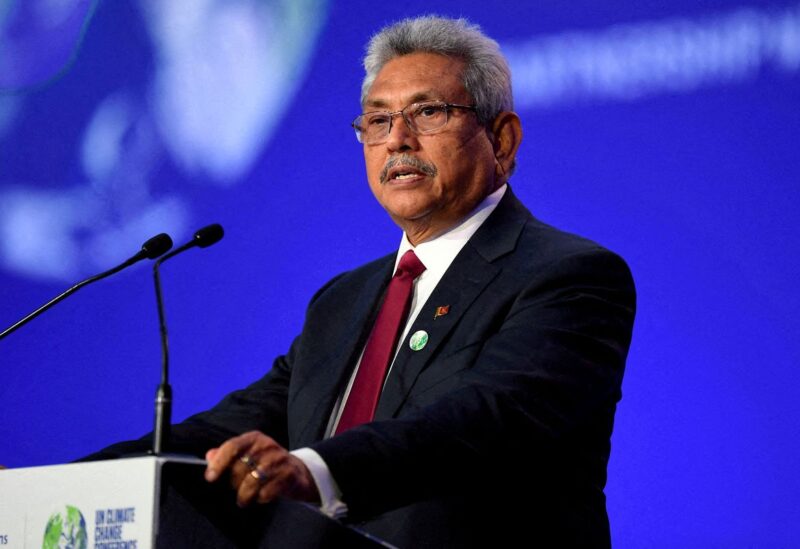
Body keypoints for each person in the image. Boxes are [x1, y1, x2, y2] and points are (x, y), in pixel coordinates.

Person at [86, 15, 636, 547]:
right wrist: (60, 483)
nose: (398, 139)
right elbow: (232, 429)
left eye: (429, 112)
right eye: (378, 120)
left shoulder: (569, 275)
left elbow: (483, 419)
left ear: (502, 140)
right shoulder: (344, 299)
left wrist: (318, 470)